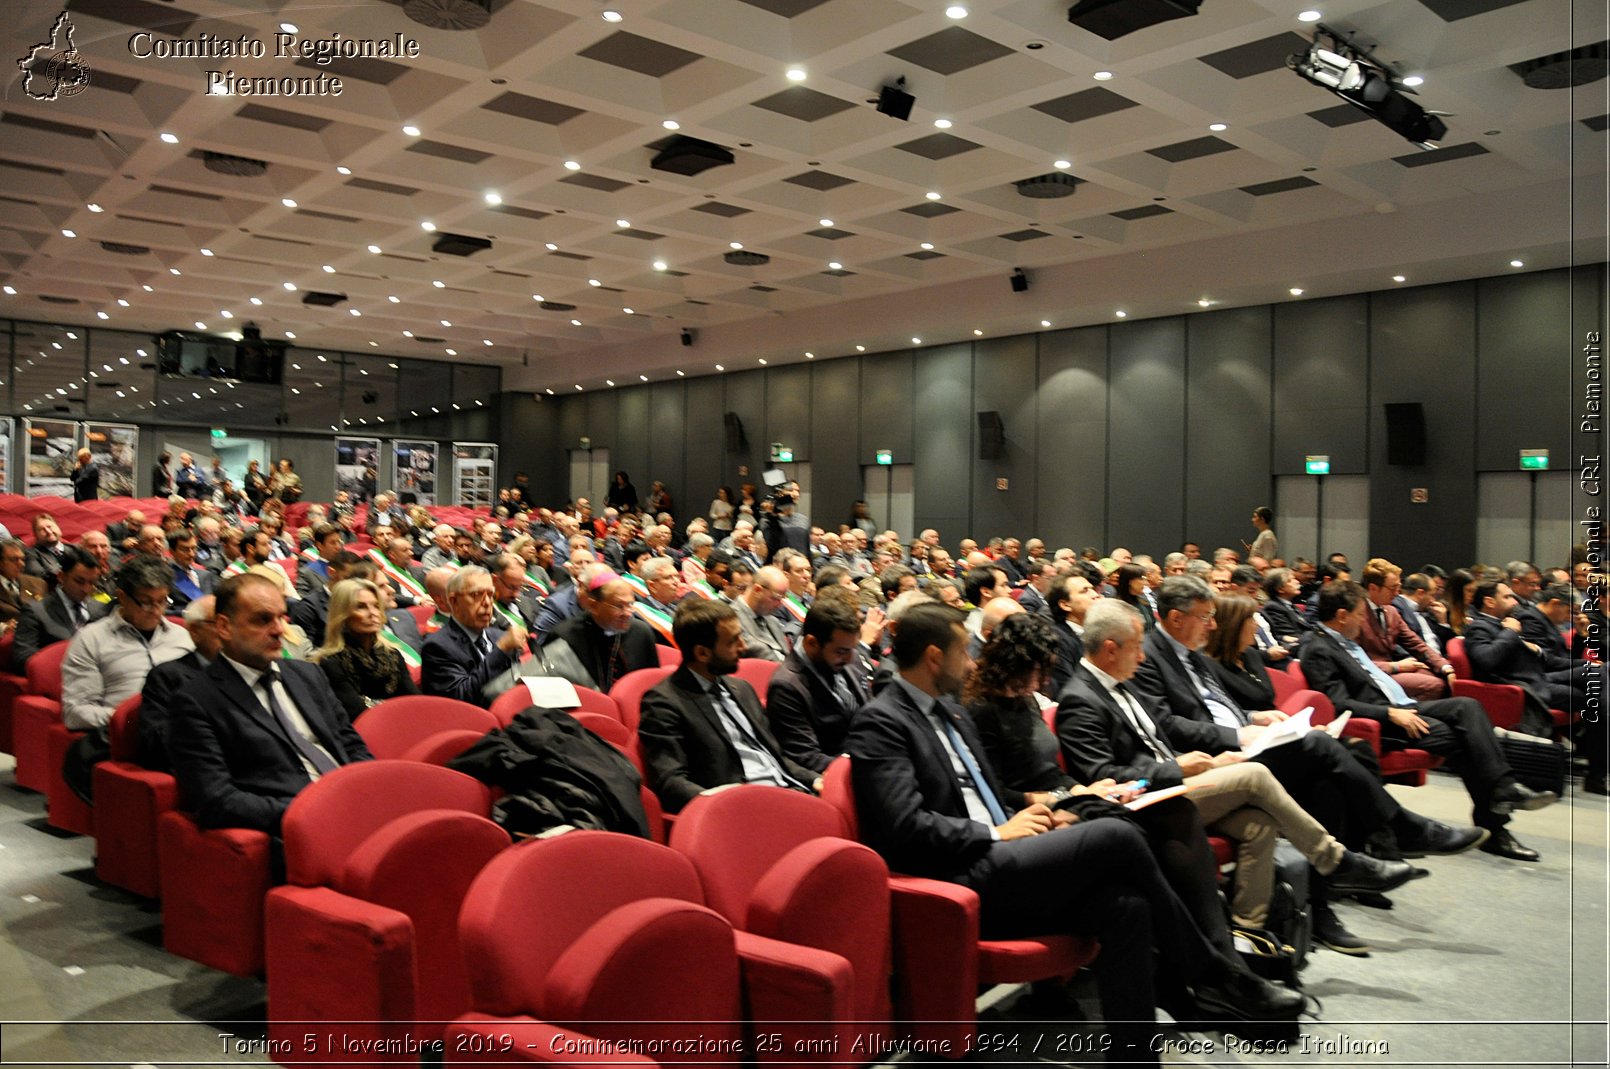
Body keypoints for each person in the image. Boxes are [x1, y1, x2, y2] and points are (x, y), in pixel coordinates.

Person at [847, 602, 1302, 1066]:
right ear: (932, 657)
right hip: (958, 875)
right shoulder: (882, 721)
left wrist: (1047, 813)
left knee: (1127, 904)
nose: (971, 662)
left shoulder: (950, 712)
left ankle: (1136, 1059)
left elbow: (987, 791)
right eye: (964, 651)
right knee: (1116, 836)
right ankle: (1211, 975)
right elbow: (906, 827)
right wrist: (997, 832)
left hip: (1005, 853)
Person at [1298, 580, 1557, 863]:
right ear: (1342, 615)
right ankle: (1496, 821)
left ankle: (1502, 790)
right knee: (1469, 740)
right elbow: (1337, 702)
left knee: (1468, 707)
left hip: (1405, 706)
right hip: (1384, 720)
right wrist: (1389, 714)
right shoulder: (1319, 648)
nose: (1363, 620)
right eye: (1360, 614)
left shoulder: (1347, 643)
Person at [168, 573, 372, 833]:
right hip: (299, 826)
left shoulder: (307, 674)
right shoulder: (195, 701)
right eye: (263, 620)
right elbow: (217, 800)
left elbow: (349, 743)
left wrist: (370, 787)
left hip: (353, 802)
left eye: (281, 617)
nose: (279, 630)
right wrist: (312, 811)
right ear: (224, 627)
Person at [639, 598, 819, 814]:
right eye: (733, 641)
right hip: (741, 809)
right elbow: (671, 782)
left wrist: (816, 779)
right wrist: (725, 808)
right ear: (702, 653)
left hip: (789, 793)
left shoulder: (742, 689)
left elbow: (775, 757)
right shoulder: (664, 703)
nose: (743, 647)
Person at [63, 555, 194, 734]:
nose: (156, 610)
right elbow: (76, 713)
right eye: (146, 602)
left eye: (163, 601)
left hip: (188, 730)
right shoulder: (90, 640)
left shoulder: (182, 636)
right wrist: (137, 719)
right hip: (128, 735)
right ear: (122, 597)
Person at [765, 598, 868, 774]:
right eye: (841, 651)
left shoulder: (846, 657)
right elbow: (807, 757)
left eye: (853, 649)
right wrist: (866, 769)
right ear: (812, 643)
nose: (851, 658)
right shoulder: (786, 687)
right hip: (843, 773)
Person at [420, 566, 527, 707]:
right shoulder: (436, 647)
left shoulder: (498, 635)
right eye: (476, 595)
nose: (487, 603)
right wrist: (501, 651)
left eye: (490, 595)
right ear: (453, 601)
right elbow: (462, 698)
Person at [314, 579, 420, 718]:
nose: (372, 613)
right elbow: (359, 715)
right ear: (342, 615)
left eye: (376, 606)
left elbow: (416, 702)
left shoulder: (392, 654)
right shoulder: (330, 662)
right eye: (361, 607)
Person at [138, 595, 220, 773]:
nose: (230, 632)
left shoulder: (245, 669)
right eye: (218, 624)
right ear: (195, 631)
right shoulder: (167, 677)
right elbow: (156, 741)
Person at [1357, 559, 1456, 701]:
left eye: (1399, 586)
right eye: (1392, 588)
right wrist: (1394, 666)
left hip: (1391, 670)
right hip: (1372, 675)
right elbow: (1352, 658)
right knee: (1434, 685)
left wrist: (1445, 667)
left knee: (1442, 676)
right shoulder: (1356, 614)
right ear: (1373, 588)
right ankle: (1406, 718)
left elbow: (1416, 644)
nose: (1397, 593)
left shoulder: (1390, 611)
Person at [545, 570, 658, 691]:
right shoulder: (564, 637)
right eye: (619, 606)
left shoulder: (641, 632)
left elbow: (653, 683)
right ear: (594, 606)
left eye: (630, 604)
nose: (627, 614)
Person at [15, 547, 111, 668]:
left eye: (92, 582)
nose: (86, 589)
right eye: (79, 581)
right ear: (61, 577)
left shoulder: (100, 609)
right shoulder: (35, 611)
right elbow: (23, 658)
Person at [731, 565, 791, 661]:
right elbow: (757, 653)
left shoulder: (773, 620)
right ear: (757, 590)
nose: (779, 605)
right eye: (776, 598)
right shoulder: (732, 619)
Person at [167, 530, 216, 614]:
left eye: (193, 548)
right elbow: (161, 610)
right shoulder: (165, 576)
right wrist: (183, 613)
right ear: (172, 551)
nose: (192, 554)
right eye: (185, 549)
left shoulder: (205, 575)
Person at [25, 514, 70, 586]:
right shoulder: (31, 554)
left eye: (50, 527)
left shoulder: (75, 549)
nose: (48, 532)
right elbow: (40, 578)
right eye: (42, 529)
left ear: (58, 527)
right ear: (36, 535)